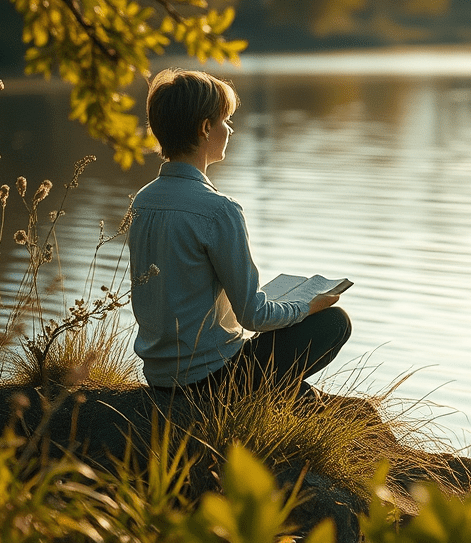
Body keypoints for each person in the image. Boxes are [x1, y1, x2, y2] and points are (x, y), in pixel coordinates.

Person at [128, 69, 351, 399]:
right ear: (205, 128)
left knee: (299, 389)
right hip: (211, 379)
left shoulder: (143, 201)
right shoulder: (219, 210)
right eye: (224, 120)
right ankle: (269, 395)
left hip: (160, 376)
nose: (229, 129)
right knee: (335, 322)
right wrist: (309, 306)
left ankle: (288, 394)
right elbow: (253, 316)